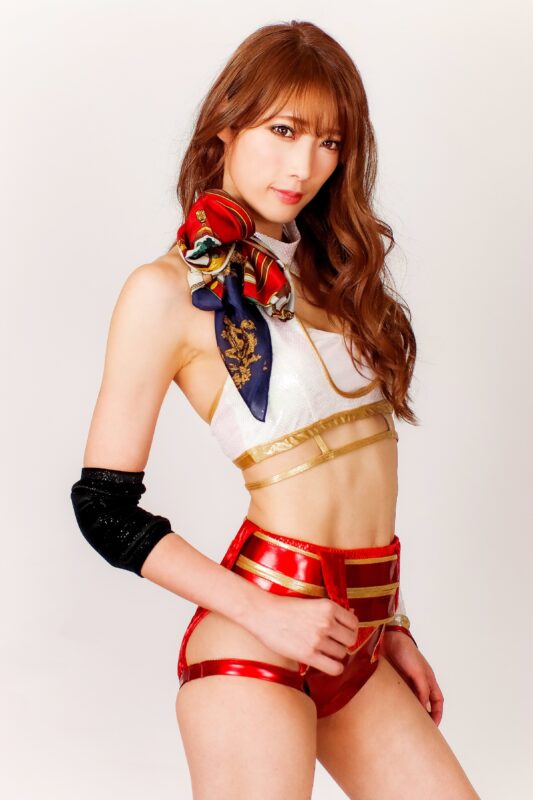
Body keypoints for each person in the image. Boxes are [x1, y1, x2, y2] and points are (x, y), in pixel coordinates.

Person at [70, 20, 481, 800]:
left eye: (329, 142)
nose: (303, 166)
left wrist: (391, 623)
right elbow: (102, 508)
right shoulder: (164, 292)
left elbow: (357, 481)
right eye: (283, 130)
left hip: (354, 635)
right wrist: (267, 615)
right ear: (226, 126)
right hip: (256, 638)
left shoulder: (335, 281)